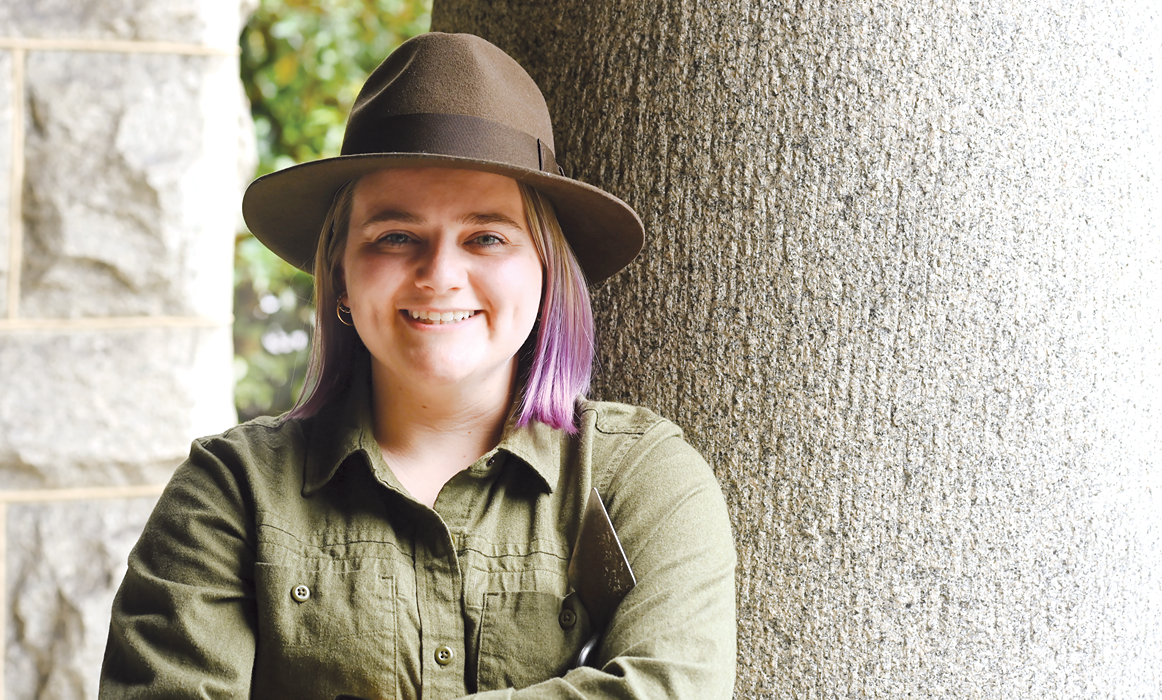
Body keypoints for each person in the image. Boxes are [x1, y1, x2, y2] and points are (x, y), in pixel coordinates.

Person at [99, 32, 735, 699]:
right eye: (395, 237)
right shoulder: (230, 493)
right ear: (341, 276)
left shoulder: (640, 479)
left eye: (486, 237)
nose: (440, 275)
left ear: (545, 273)